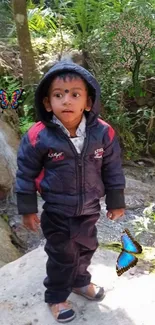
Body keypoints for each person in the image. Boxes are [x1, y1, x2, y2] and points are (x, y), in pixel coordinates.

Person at [16, 60, 125, 323]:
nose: (67, 100)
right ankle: (56, 296)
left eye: (75, 94)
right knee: (62, 254)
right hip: (56, 210)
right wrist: (28, 209)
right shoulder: (38, 136)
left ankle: (80, 281)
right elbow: (25, 173)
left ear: (88, 102)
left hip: (89, 208)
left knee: (87, 248)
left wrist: (115, 200)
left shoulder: (103, 133)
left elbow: (112, 168)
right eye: (58, 95)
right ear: (46, 103)